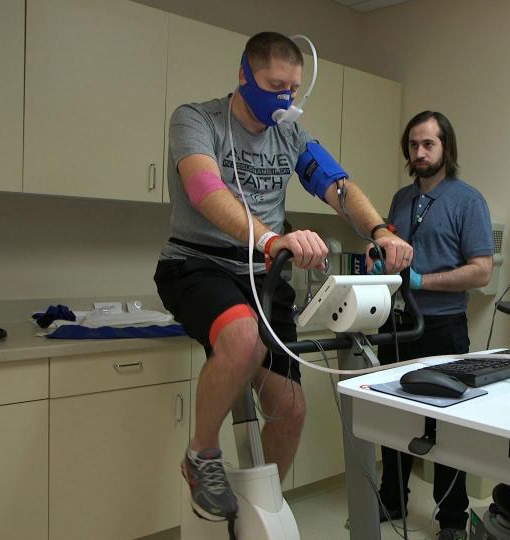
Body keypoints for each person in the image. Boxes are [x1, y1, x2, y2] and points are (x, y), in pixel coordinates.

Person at [154, 31, 413, 522]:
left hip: (263, 276)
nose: (284, 99)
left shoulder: (291, 134)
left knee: (291, 408)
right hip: (198, 263)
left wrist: (380, 230)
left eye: (293, 89)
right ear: (243, 75)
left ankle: (259, 506)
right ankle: (201, 455)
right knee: (242, 338)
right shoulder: (196, 119)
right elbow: (205, 189)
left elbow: (338, 187)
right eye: (275, 86)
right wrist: (271, 239)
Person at [372, 111, 494, 540]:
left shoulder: (468, 201)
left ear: (446, 148)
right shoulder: (400, 200)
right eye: (413, 145)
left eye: (429, 144)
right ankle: (391, 500)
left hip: (442, 329)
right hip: (396, 325)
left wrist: (425, 280)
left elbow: (482, 272)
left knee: (447, 428)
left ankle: (452, 521)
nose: (420, 152)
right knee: (393, 419)